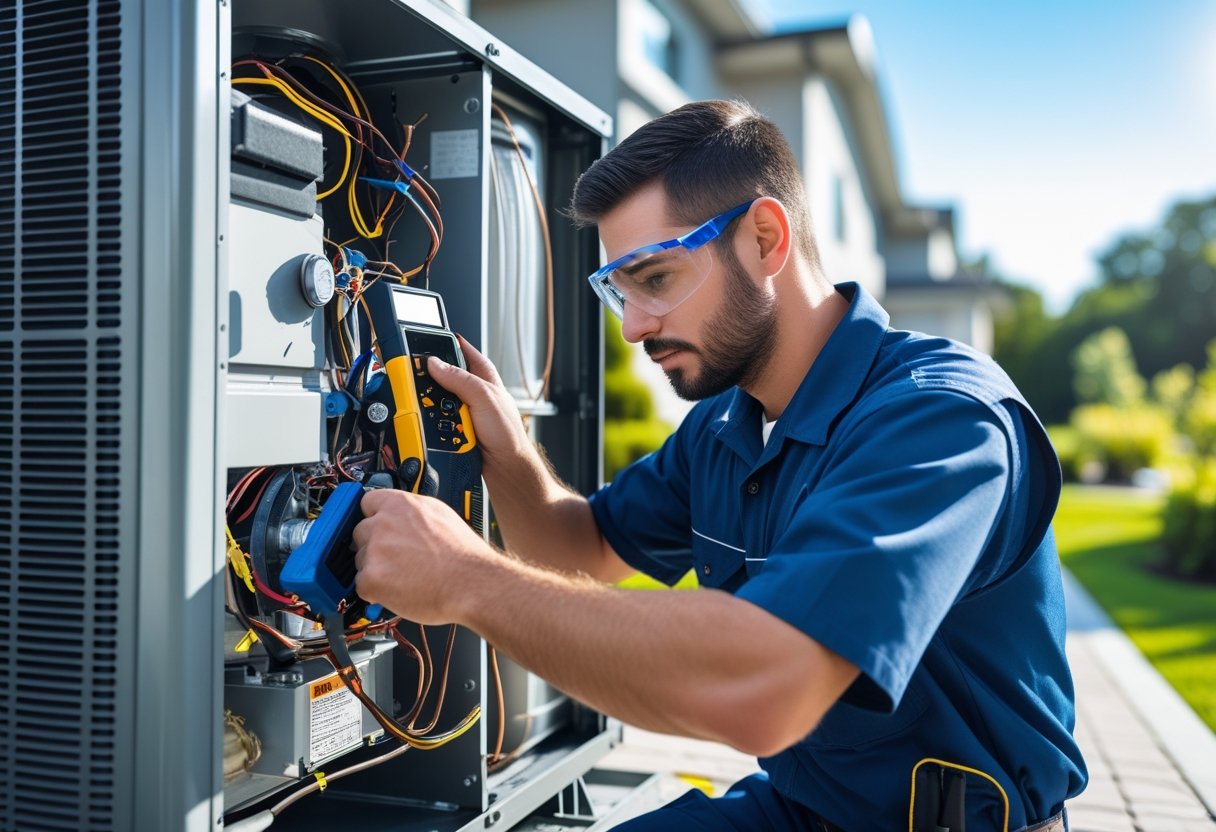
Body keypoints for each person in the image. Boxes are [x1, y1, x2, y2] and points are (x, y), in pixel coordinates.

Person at [353, 99, 1087, 830]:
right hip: (801, 810)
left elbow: (768, 687)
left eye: (657, 279)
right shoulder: (725, 428)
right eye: (618, 290)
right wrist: (506, 453)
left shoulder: (938, 419)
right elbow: (582, 550)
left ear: (765, 238)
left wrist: (464, 579)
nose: (635, 324)